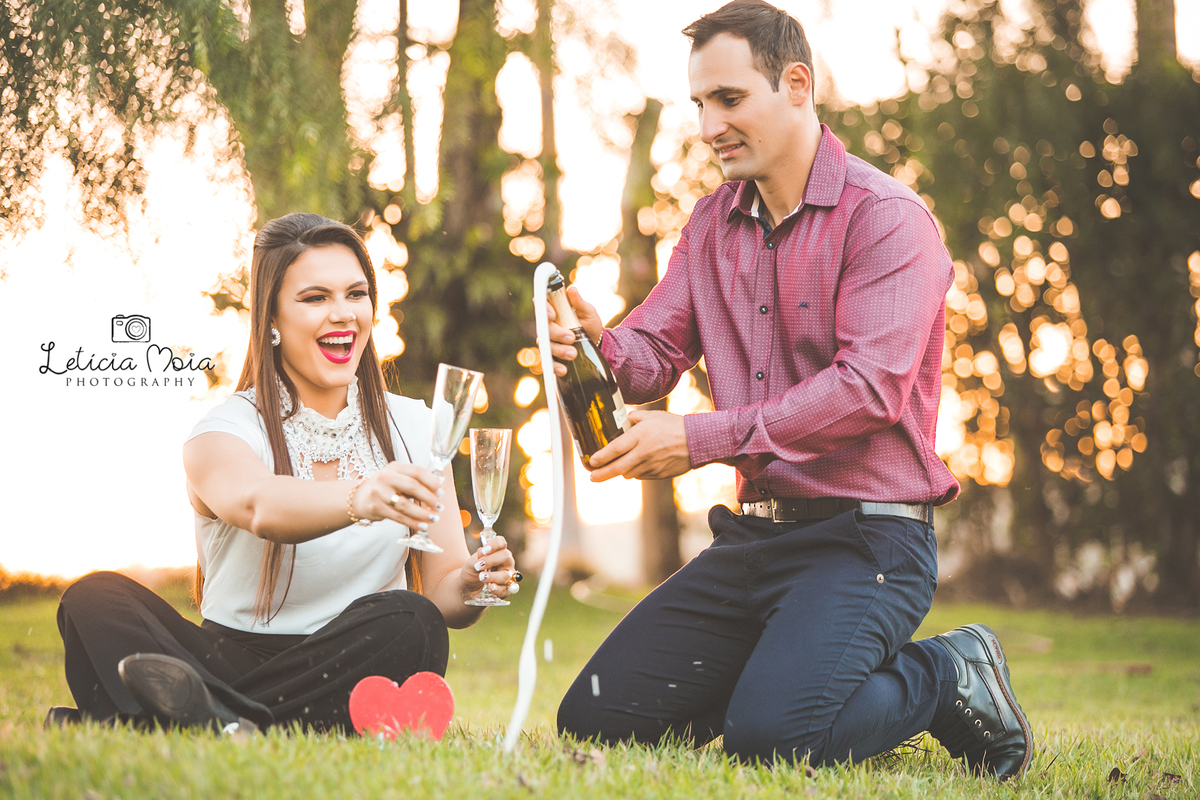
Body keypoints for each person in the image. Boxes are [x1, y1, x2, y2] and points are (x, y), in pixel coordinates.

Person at [551, 0, 1032, 781]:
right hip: (755, 542)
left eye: (729, 99)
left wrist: (698, 440)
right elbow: (653, 355)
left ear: (797, 85)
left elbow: (868, 391)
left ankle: (948, 674)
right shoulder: (711, 225)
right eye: (699, 104)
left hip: (868, 544)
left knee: (772, 742)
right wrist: (592, 345)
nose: (709, 126)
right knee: (598, 720)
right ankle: (782, 676)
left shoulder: (887, 220)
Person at [50, 213, 518, 734]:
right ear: (271, 317)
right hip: (227, 659)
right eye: (315, 298)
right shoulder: (225, 429)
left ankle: (202, 719)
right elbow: (259, 505)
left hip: (346, 661)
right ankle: (240, 720)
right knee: (92, 600)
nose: (342, 313)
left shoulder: (415, 426)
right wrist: (361, 496)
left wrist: (470, 583)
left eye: (356, 294)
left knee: (415, 621)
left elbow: (441, 595)